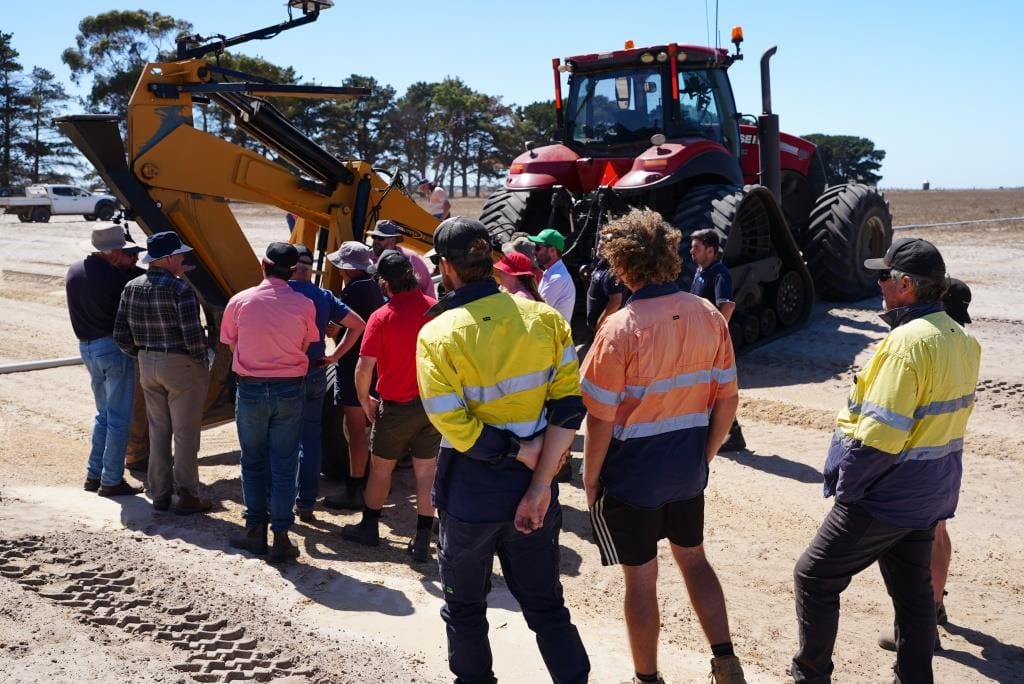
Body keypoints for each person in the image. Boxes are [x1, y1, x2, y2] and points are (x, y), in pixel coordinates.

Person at [791, 238, 981, 683]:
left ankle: (810, 676)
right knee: (915, 595)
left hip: (886, 496)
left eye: (883, 276)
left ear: (906, 285)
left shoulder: (904, 345)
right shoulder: (961, 339)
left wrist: (849, 491)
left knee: (814, 578)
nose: (878, 284)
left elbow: (879, 438)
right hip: (930, 492)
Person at [417, 217, 590, 683]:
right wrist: (538, 482)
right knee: (548, 609)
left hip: (471, 495)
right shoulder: (545, 319)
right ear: (493, 261)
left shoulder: (437, 334)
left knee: (466, 610)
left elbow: (451, 421)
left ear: (447, 269)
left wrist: (516, 451)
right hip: (533, 492)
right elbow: (570, 406)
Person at [580, 209, 746, 684]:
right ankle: (725, 659)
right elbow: (728, 398)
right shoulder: (710, 315)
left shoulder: (617, 329)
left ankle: (647, 678)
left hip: (633, 477)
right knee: (693, 558)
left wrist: (590, 480)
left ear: (623, 264)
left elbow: (599, 419)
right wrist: (706, 455)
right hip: (687, 469)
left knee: (641, 579)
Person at [876, 275, 974, 652]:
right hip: (946, 453)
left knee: (914, 541)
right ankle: (934, 608)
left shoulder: (927, 342)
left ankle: (923, 624)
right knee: (938, 529)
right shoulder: (962, 344)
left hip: (919, 458)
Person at [222, 242, 320, 563]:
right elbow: (307, 344)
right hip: (289, 389)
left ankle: (255, 531)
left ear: (264, 265)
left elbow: (230, 341)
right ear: (293, 271)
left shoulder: (240, 301)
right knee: (284, 463)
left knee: (252, 461)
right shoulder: (305, 304)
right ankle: (280, 535)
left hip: (251, 389)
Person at [340, 250, 440, 562]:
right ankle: (423, 537)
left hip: (395, 407)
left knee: (381, 469)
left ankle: (369, 528)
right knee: (426, 472)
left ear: (385, 283)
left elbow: (363, 368)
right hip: (430, 405)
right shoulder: (435, 310)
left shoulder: (381, 317)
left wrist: (363, 399)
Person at [114, 231, 212, 514]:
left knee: (158, 430)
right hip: (180, 364)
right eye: (179, 254)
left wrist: (142, 354)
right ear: (168, 259)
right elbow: (193, 338)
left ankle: (159, 492)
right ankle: (187, 494)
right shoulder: (181, 289)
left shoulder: (131, 286)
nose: (183, 258)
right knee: (185, 433)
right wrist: (202, 362)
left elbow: (120, 334)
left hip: (147, 361)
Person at [288, 244, 366, 523]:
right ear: (310, 270)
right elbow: (358, 324)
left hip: (283, 374)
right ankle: (306, 502)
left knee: (281, 439)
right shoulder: (323, 295)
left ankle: (280, 505)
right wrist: (333, 356)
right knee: (310, 439)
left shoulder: (277, 292)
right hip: (315, 371)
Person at [67, 225, 145, 497]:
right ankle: (111, 480)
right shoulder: (116, 279)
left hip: (87, 348)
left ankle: (94, 474)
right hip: (112, 348)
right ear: (112, 252)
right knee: (119, 418)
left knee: (103, 415)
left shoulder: (75, 271)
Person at [322, 241, 385, 510]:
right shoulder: (373, 287)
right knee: (373, 426)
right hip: (376, 364)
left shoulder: (351, 293)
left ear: (346, 268)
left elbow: (334, 331)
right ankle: (375, 481)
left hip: (353, 366)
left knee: (356, 430)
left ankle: (355, 487)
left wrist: (334, 353)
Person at [689, 228, 745, 453]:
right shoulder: (700, 270)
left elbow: (728, 305)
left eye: (697, 247)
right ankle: (730, 433)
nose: (691, 251)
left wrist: (716, 335)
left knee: (717, 389)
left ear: (710, 251)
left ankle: (732, 434)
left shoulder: (719, 273)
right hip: (701, 339)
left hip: (711, 341)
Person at [367, 219, 437, 298]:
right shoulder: (366, 257)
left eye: (380, 238)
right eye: (374, 237)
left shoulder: (411, 258)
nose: (376, 241)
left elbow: (427, 288)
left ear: (393, 240)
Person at [529, 228, 576, 321]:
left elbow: (538, 310)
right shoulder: (552, 273)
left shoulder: (557, 278)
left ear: (552, 250)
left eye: (538, 248)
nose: (533, 252)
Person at [585, 240, 628, 332]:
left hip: (606, 328)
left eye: (603, 245)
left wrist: (600, 322)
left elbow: (616, 302)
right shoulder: (602, 263)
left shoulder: (611, 272)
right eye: (599, 244)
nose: (599, 247)